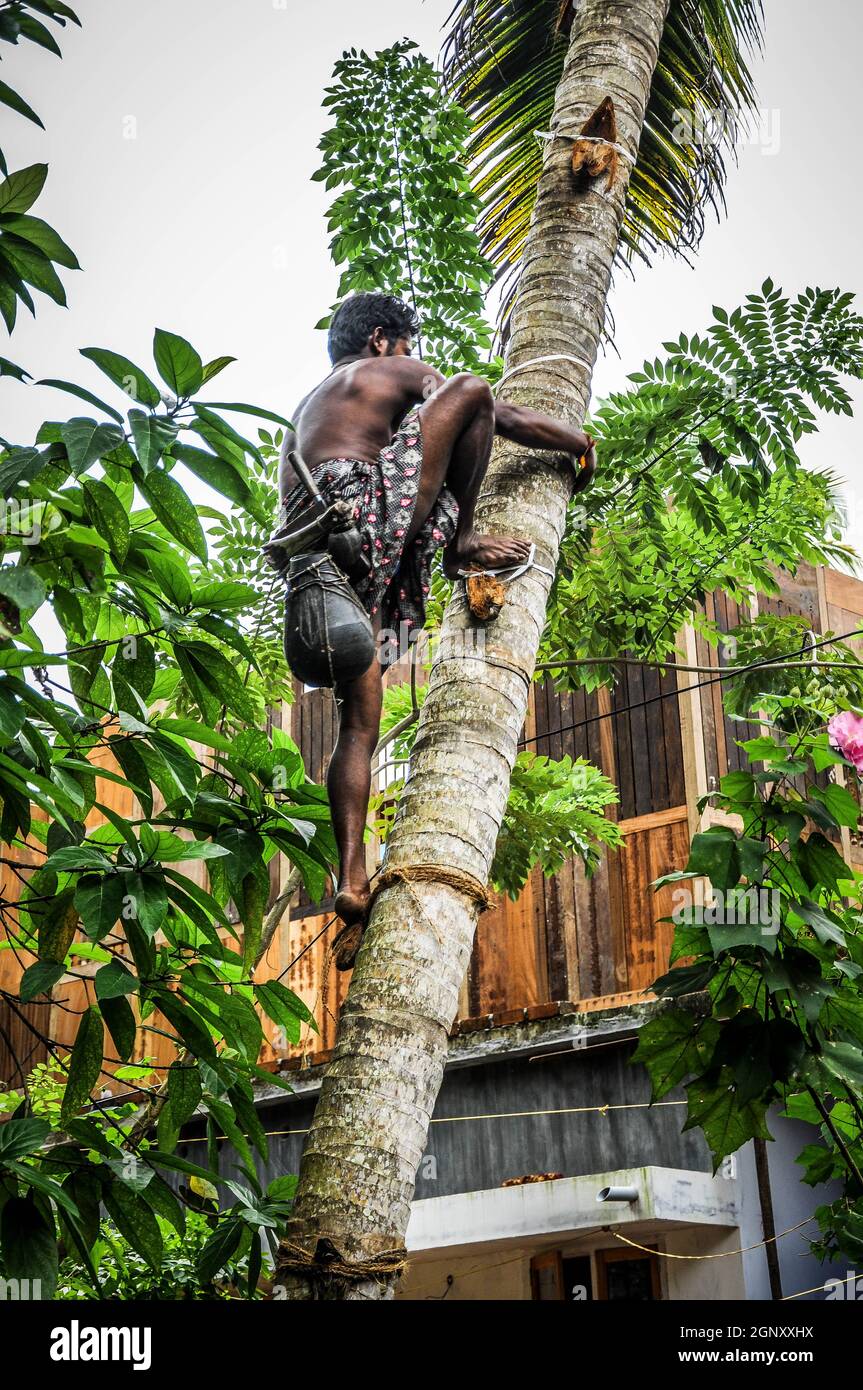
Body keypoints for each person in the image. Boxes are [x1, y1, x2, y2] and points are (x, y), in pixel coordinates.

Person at [274, 292, 596, 967]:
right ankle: (462, 545)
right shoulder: (378, 372)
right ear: (384, 339)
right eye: (406, 342)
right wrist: (576, 440)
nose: (409, 353)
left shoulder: (308, 410)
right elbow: (491, 409)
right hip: (363, 514)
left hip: (326, 562)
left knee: (357, 728)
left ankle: (352, 878)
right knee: (470, 388)